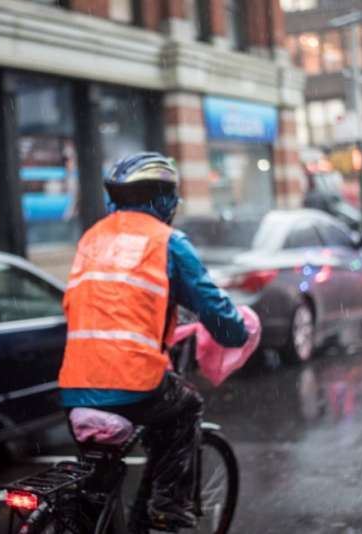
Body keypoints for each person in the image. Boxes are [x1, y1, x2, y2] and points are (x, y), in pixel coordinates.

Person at [58, 152, 249, 532]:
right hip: (134, 382)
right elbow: (217, 313)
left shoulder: (91, 239)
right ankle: (166, 508)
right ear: (163, 200)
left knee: (98, 486)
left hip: (75, 386)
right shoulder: (168, 243)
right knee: (185, 407)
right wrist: (238, 331)